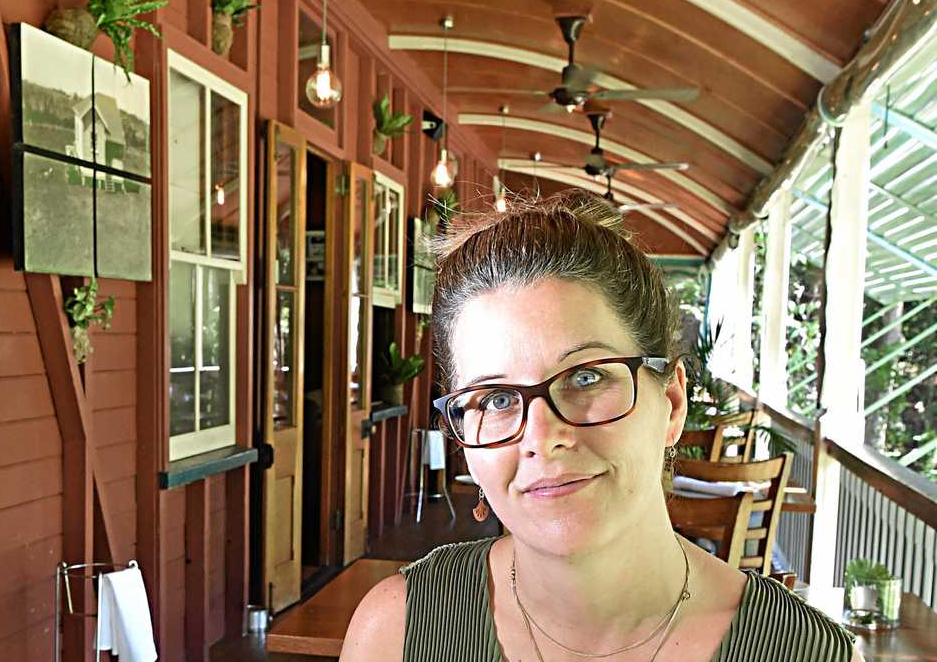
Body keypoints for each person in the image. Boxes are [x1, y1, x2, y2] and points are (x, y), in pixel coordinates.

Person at [341, 193, 859, 662]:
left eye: (585, 377)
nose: (541, 437)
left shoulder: (807, 654)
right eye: (496, 398)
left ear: (672, 403)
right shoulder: (396, 633)